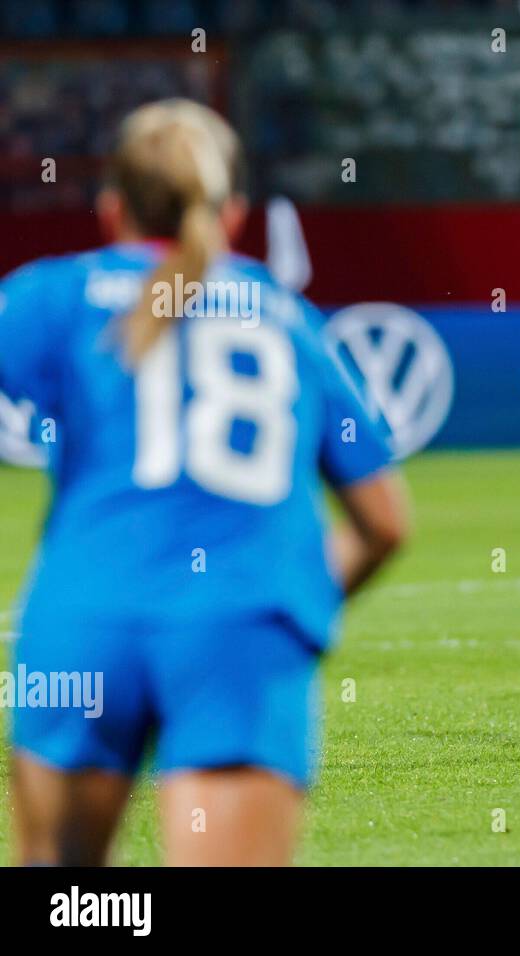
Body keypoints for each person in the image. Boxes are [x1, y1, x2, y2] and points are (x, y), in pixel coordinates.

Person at [1, 99, 409, 864]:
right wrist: (298, 598)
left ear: (111, 208)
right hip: (241, 623)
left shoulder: (54, 297)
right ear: (235, 214)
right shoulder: (286, 319)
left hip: (86, 618)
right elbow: (384, 521)